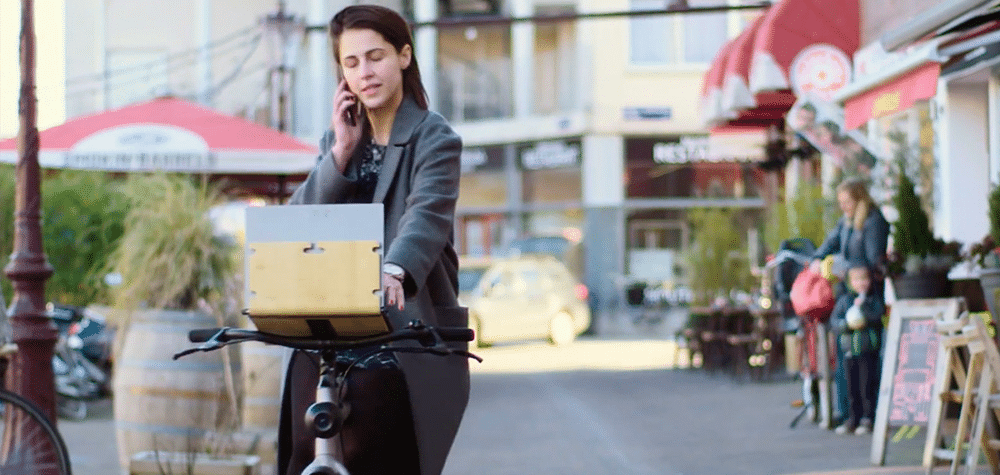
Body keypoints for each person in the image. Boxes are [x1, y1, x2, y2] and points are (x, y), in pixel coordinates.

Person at [278, 5, 468, 475]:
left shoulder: (434, 137)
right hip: (333, 321)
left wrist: (394, 269)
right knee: (302, 445)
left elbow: (426, 216)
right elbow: (296, 224)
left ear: (404, 56)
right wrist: (340, 154)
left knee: (379, 447)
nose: (366, 72)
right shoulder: (339, 139)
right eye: (351, 63)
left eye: (376, 56)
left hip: (403, 326)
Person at [811, 177, 890, 428]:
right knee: (845, 357)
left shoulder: (873, 221)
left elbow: (873, 260)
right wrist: (817, 259)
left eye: (847, 201)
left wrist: (850, 271)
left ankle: (868, 414)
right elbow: (827, 246)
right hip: (846, 295)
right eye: (841, 202)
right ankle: (848, 413)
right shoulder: (845, 223)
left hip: (867, 294)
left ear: (859, 198)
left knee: (867, 361)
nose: (843, 206)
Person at [830, 264, 886, 435]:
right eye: (857, 280)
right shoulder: (844, 301)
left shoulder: (873, 300)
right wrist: (845, 324)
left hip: (867, 351)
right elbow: (835, 321)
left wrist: (862, 309)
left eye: (864, 279)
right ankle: (851, 419)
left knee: (867, 385)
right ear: (850, 282)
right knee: (850, 386)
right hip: (849, 351)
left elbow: (877, 317)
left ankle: (868, 418)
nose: (861, 283)